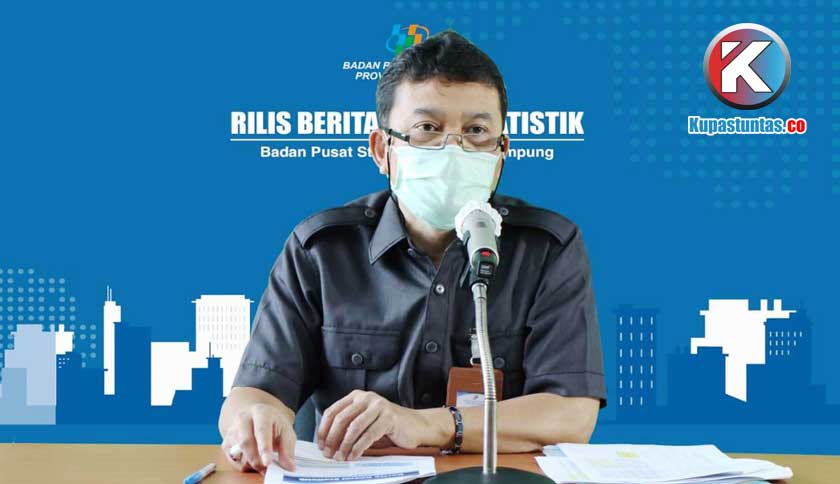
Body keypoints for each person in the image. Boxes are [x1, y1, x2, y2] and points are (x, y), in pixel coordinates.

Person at [218, 30, 607, 475]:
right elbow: (255, 393)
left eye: (476, 131)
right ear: (382, 149)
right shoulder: (322, 249)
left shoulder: (548, 248)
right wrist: (255, 419)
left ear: (501, 152)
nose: (453, 150)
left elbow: (571, 414)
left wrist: (424, 425)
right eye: (427, 129)